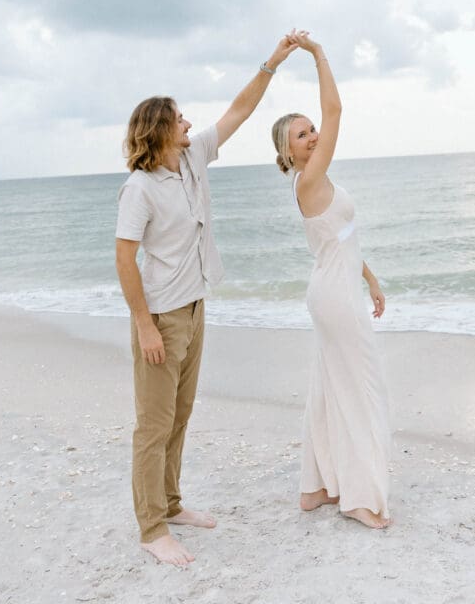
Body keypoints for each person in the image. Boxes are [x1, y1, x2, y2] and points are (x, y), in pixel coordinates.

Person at [115, 36, 298, 567]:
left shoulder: (193, 156)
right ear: (160, 130)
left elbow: (240, 110)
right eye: (179, 119)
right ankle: (151, 528)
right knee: (153, 425)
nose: (190, 124)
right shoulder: (140, 188)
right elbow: (125, 260)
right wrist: (145, 326)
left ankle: (170, 504)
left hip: (195, 306)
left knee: (180, 414)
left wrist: (273, 63)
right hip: (161, 317)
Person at [271, 31, 392, 529]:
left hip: (337, 289)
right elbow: (337, 112)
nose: (314, 135)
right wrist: (319, 55)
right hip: (333, 298)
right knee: (361, 390)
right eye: (302, 135)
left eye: (311, 128)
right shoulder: (310, 180)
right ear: (289, 151)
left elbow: (340, 238)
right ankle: (360, 498)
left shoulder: (323, 184)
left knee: (328, 388)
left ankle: (315, 486)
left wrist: (372, 279)